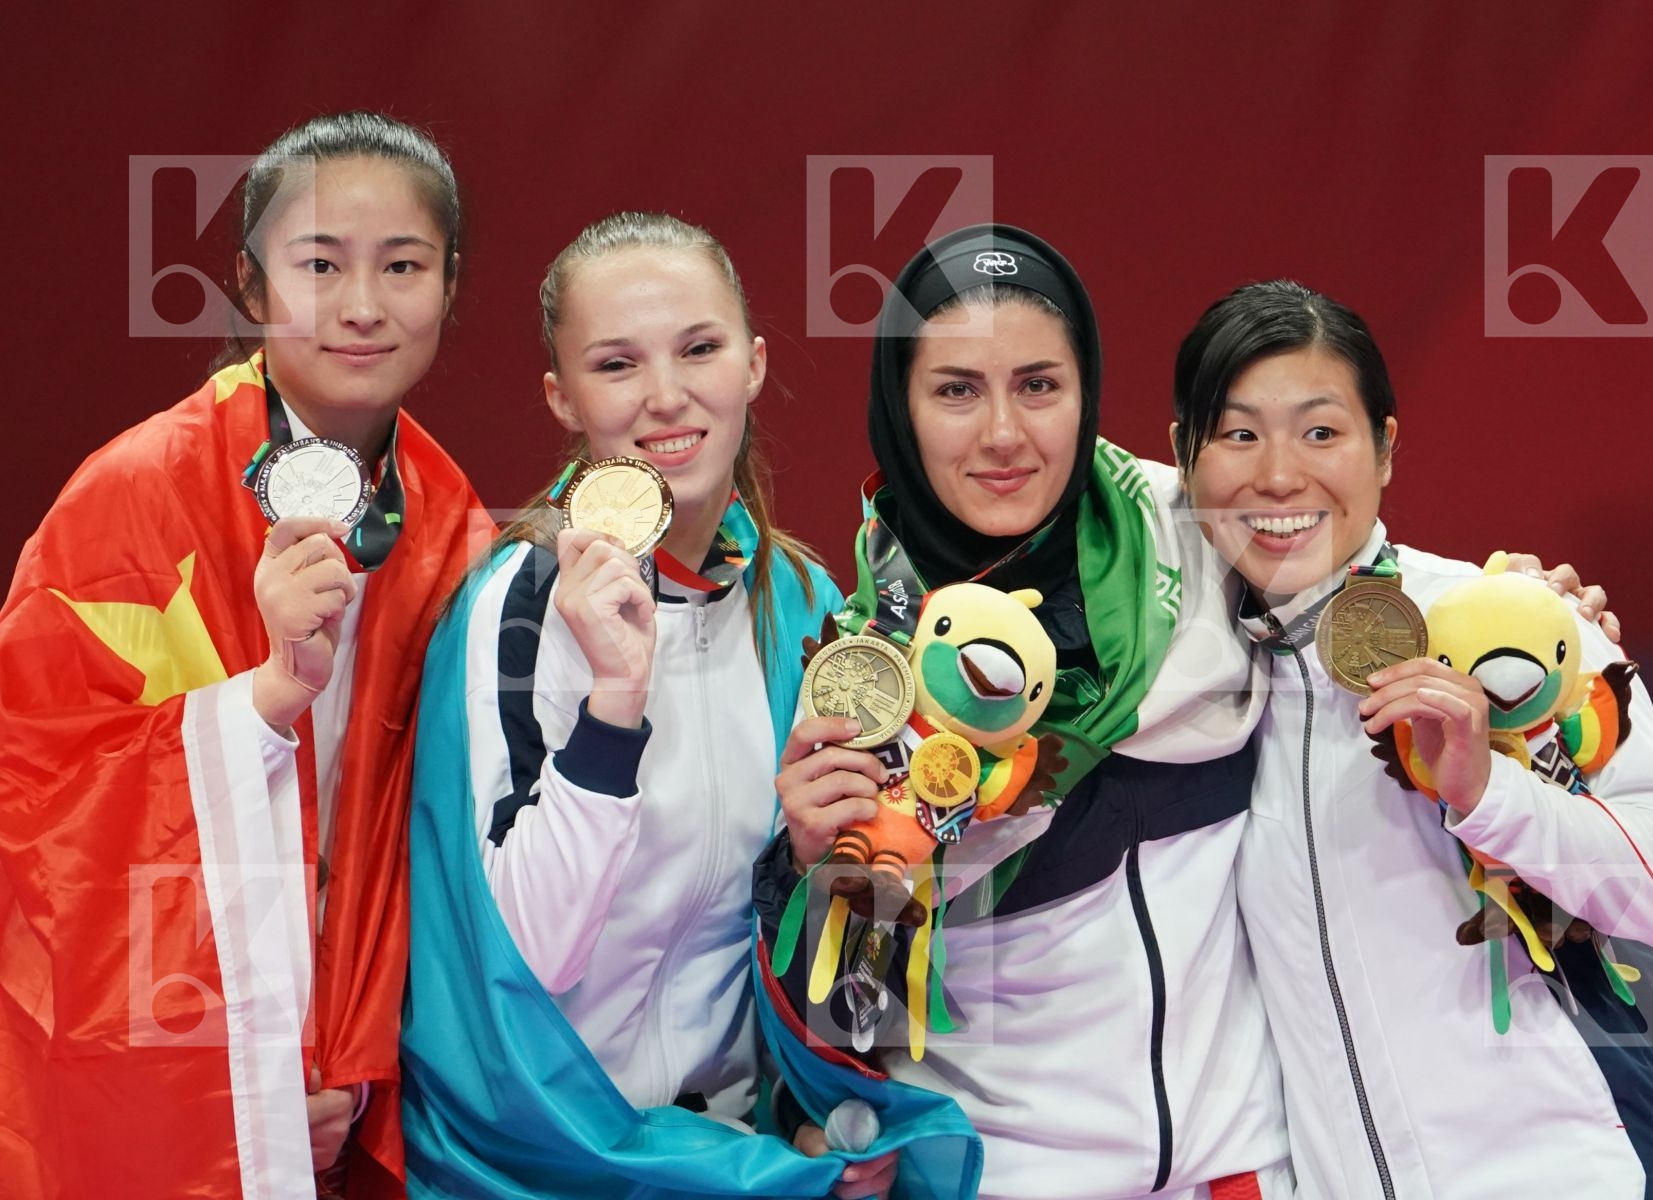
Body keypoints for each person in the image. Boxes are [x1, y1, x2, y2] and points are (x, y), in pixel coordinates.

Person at [399, 212, 975, 1199]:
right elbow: (520, 966)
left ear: (752, 363)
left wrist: (830, 1111)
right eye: (617, 365)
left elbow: (872, 886)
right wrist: (614, 707)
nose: (667, 397)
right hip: (542, 1166)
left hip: (743, 1160)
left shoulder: (803, 606)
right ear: (563, 397)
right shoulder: (517, 609)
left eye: (700, 349)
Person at [0, 112, 488, 1198]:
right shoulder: (129, 495)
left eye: (403, 265)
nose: (363, 305)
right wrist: (258, 706)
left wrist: (348, 1067)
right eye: (319, 264)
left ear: (450, 285)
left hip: (354, 1090)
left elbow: (440, 857)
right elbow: (30, 801)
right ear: (252, 287)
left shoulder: (458, 529)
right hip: (175, 1065)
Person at [756, 225, 1295, 1200]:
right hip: (1008, 1175)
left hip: (1244, 1168)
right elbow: (856, 1014)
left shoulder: (1202, 540)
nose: (1005, 433)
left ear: (1086, 390)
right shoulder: (868, 672)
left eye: (1039, 385)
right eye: (957, 389)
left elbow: (1383, 605)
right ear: (900, 410)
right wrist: (815, 867)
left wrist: (1555, 620)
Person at [1173, 279, 1653, 1199]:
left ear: (1385, 448)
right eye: (1238, 435)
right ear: (1184, 461)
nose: (1278, 475)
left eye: (1321, 432)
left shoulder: (1508, 626)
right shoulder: (1186, 689)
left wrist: (1489, 798)